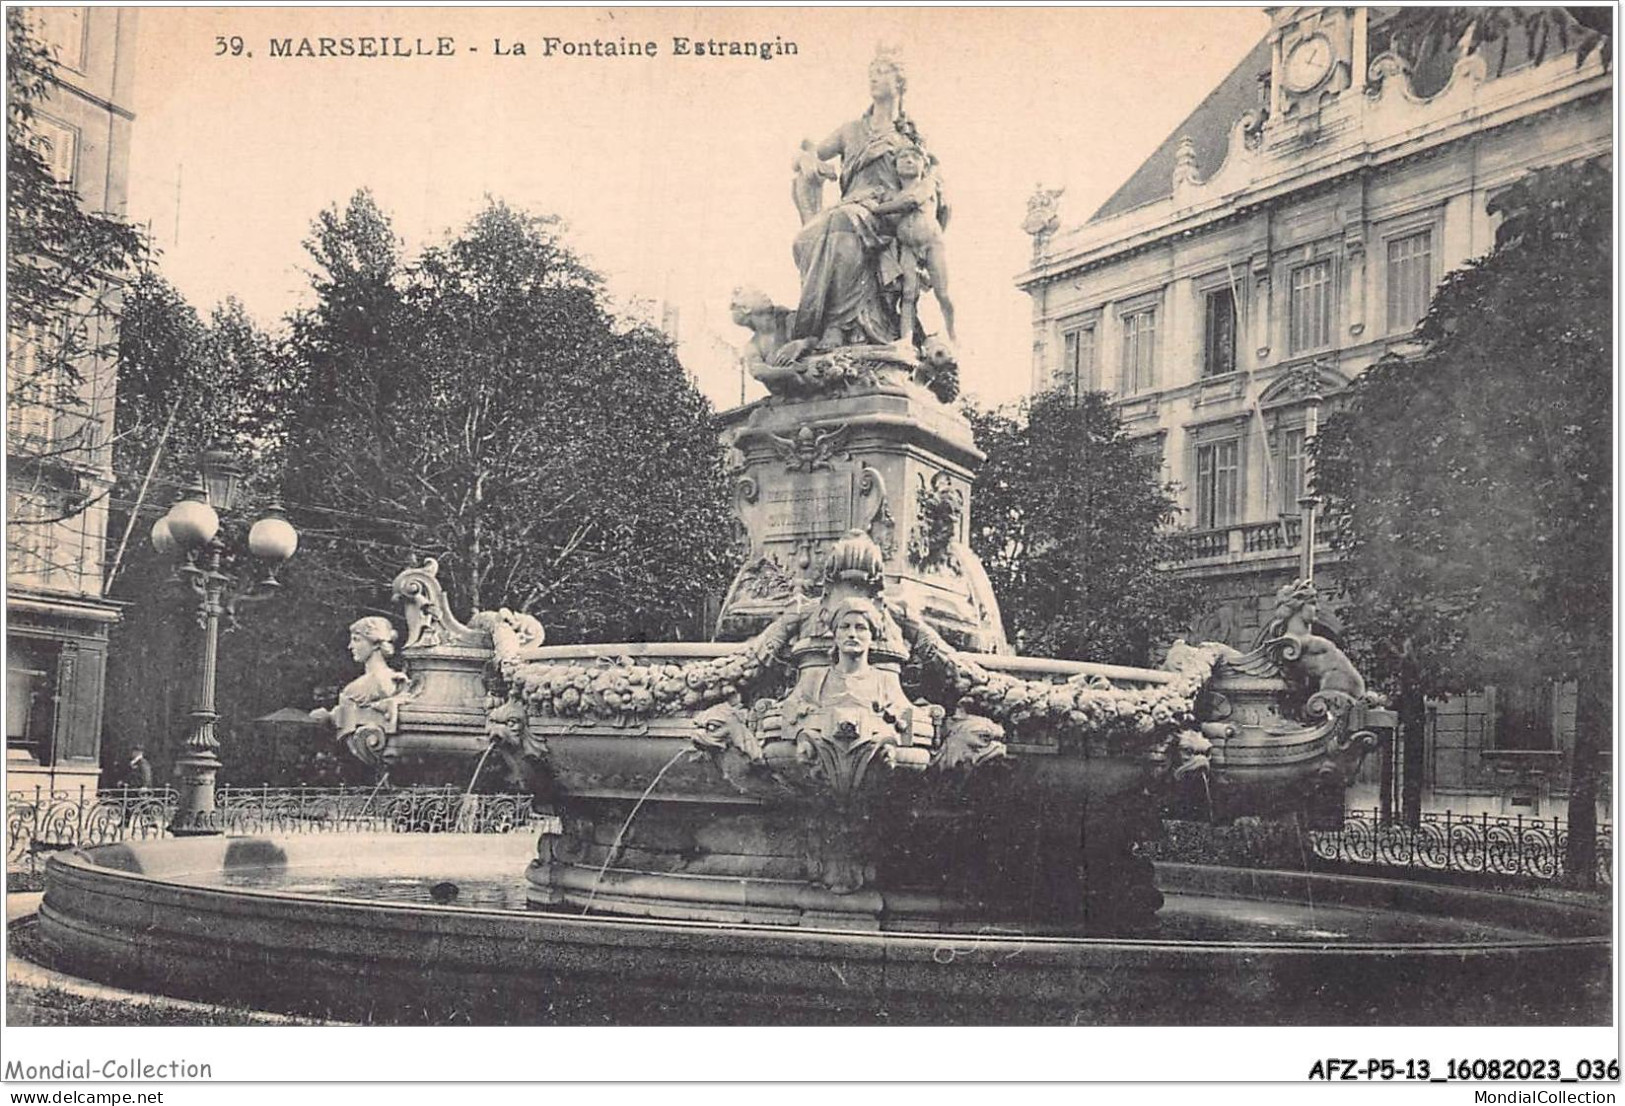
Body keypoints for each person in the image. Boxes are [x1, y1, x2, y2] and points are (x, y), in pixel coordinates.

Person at [783, 49, 932, 358]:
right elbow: (806, 155)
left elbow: (931, 186)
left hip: (886, 213)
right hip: (850, 207)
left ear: (900, 82)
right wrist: (807, 161)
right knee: (812, 232)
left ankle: (837, 326)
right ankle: (820, 325)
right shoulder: (850, 130)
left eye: (883, 71)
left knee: (842, 222)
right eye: (872, 72)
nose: (874, 77)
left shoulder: (908, 137)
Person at [868, 143, 955, 346]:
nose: (909, 160)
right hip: (908, 247)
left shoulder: (927, 184)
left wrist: (877, 209)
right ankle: (906, 339)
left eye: (915, 158)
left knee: (942, 294)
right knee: (908, 295)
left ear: (923, 166)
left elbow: (912, 201)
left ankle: (952, 334)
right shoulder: (892, 194)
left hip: (932, 243)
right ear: (895, 166)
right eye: (903, 157)